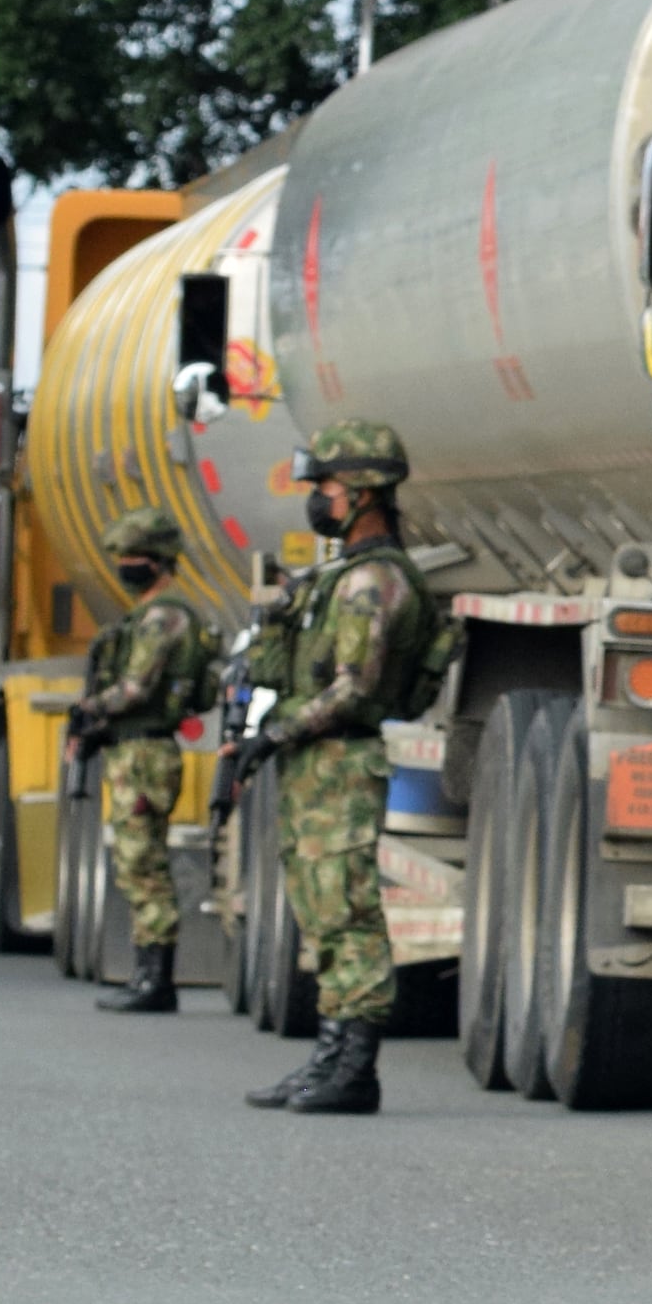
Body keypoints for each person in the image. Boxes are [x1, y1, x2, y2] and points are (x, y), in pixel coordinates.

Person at [242, 421, 450, 1113]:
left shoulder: (373, 580)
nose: (317, 499)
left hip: (341, 761)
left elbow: (354, 687)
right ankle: (330, 1054)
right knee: (323, 911)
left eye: (325, 487)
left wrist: (275, 733)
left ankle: (355, 1068)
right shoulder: (345, 573)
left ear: (362, 493)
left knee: (349, 911)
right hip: (319, 765)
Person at [67, 509, 218, 1011]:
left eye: (132, 559)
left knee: (142, 864)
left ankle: (156, 980)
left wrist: (89, 710)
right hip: (137, 749)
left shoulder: (163, 618)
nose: (124, 568)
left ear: (157, 562)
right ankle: (148, 974)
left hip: (145, 751)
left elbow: (135, 688)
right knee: (137, 863)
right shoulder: (157, 614)